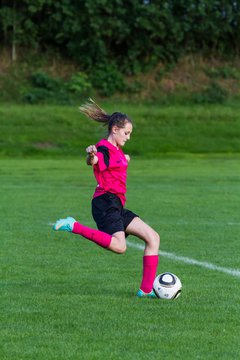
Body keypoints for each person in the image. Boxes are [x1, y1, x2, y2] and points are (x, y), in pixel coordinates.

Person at [53, 98, 160, 298]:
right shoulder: (103, 148)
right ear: (115, 129)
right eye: (126, 133)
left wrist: (125, 159)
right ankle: (74, 225)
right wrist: (90, 155)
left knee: (153, 238)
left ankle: (145, 291)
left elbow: (116, 163)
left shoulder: (118, 151)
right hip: (105, 202)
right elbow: (94, 160)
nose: (128, 137)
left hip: (117, 204)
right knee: (120, 247)